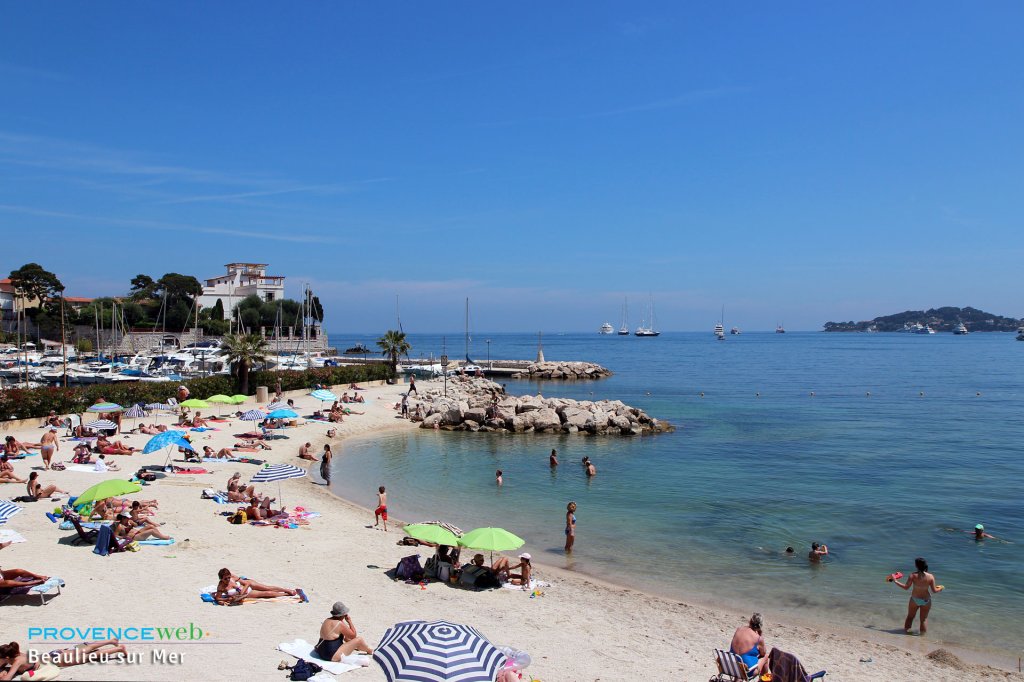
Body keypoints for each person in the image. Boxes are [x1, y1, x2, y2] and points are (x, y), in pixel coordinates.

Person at [893, 557, 944, 634]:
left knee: (910, 617)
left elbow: (906, 587)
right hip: (926, 600)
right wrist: (940, 588)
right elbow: (934, 590)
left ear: (916, 566)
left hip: (914, 599)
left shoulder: (913, 575)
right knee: (923, 620)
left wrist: (896, 581)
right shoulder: (930, 576)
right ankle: (922, 639)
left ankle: (905, 634)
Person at [215, 568, 299, 604]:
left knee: (267, 587)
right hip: (247, 593)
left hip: (248, 585)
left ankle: (286, 590)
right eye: (225, 579)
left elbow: (246, 583)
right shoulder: (221, 587)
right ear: (221, 579)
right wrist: (227, 599)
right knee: (267, 593)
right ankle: (285, 594)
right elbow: (217, 598)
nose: (228, 580)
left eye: (229, 577)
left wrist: (242, 592)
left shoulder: (233, 577)